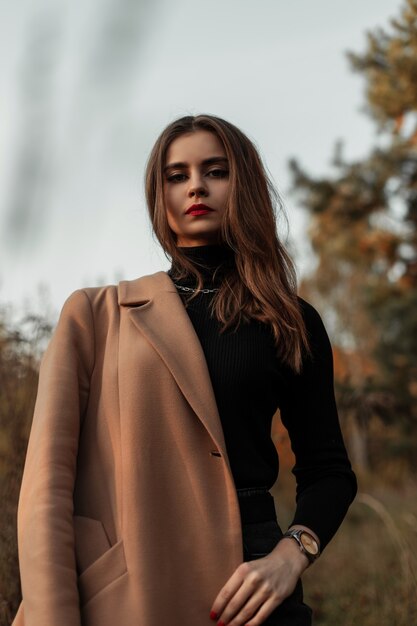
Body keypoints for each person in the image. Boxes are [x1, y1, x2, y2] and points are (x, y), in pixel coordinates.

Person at [12, 114, 357, 626]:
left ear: (245, 185)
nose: (196, 185)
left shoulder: (288, 318)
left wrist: (290, 555)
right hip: (133, 582)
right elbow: (46, 489)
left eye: (215, 170)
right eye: (177, 175)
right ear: (160, 196)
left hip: (252, 583)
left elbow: (328, 471)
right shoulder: (95, 315)